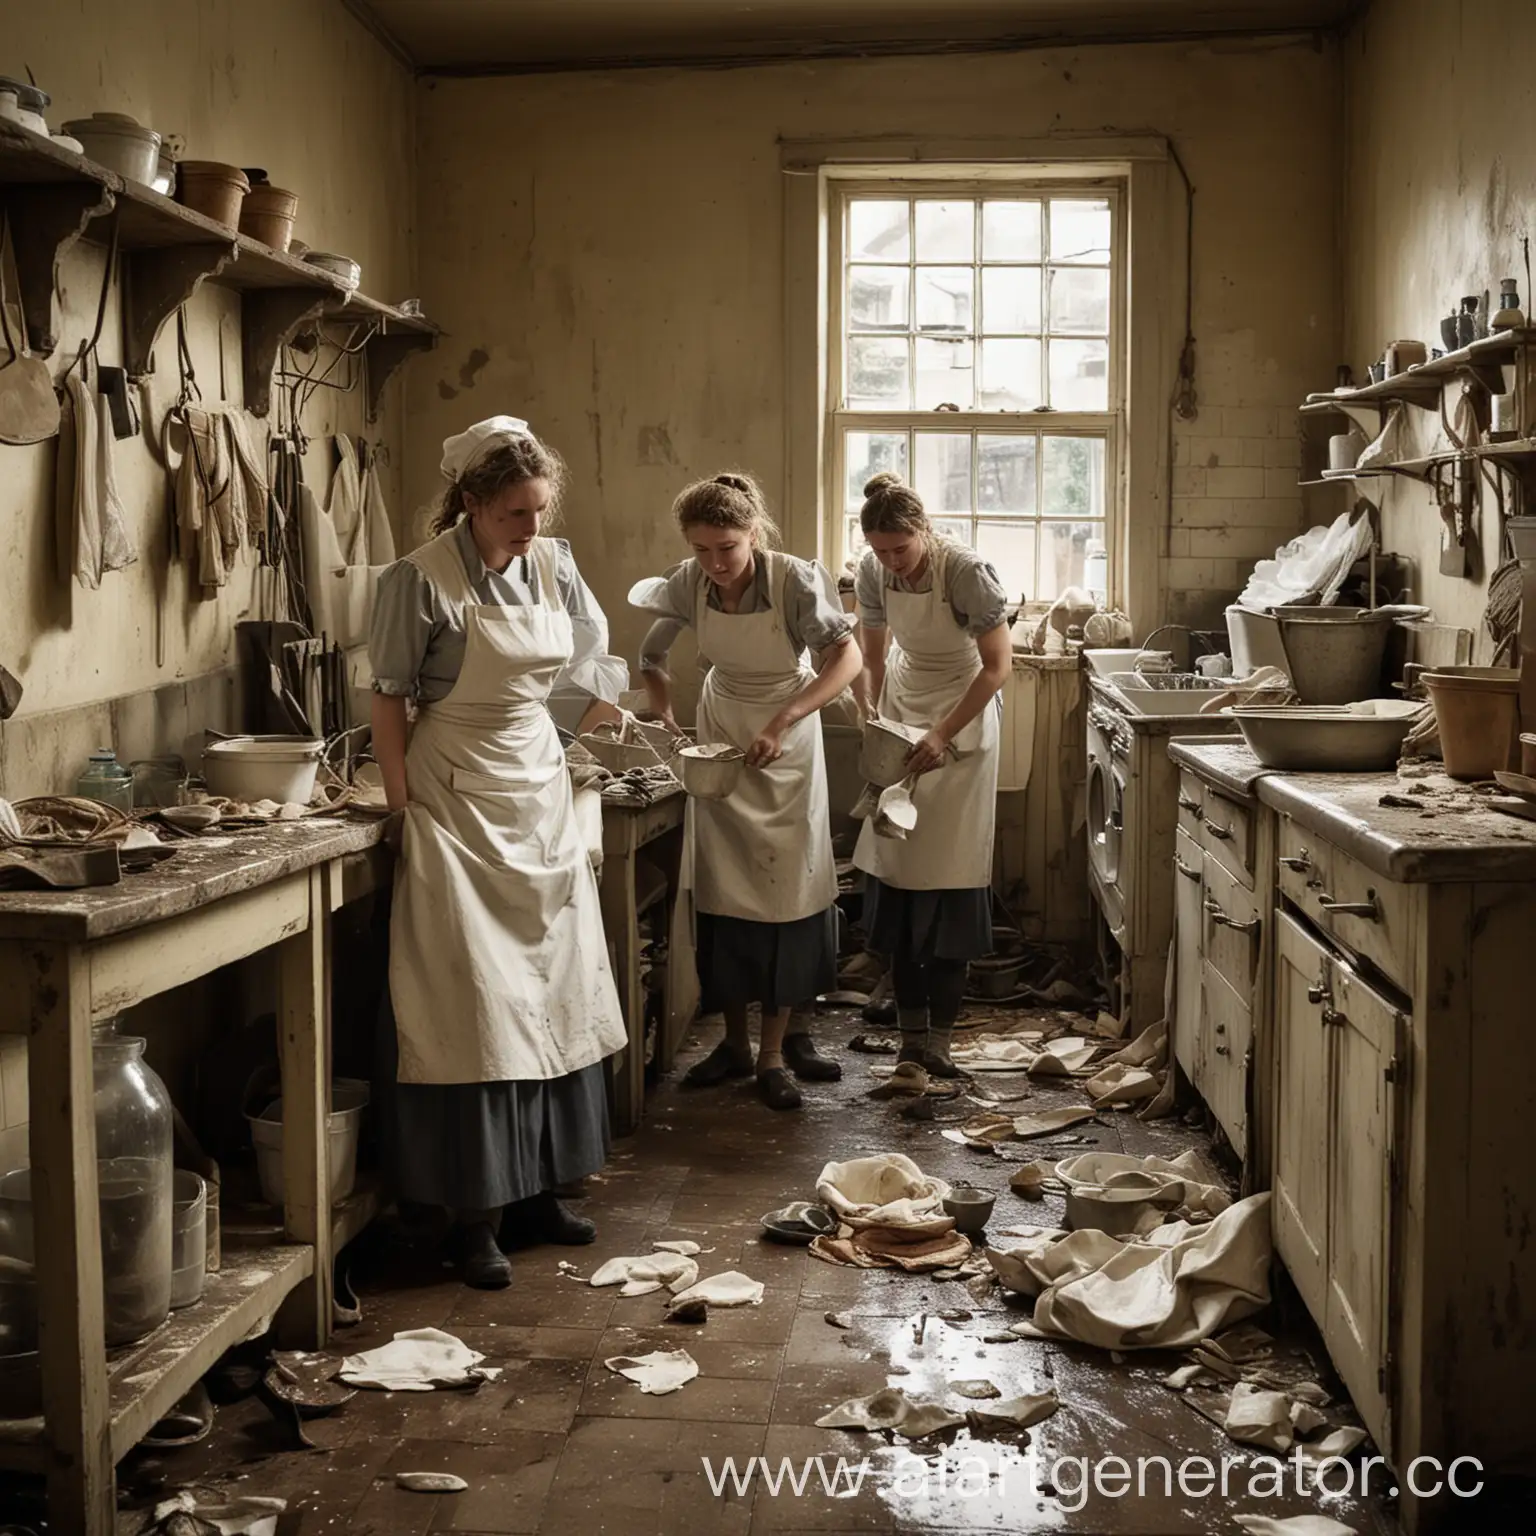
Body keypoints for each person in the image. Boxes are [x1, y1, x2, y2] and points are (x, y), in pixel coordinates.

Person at [367, 415, 629, 1289]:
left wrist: (594, 722)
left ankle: (538, 1194)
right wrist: (404, 808)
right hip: (456, 799)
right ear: (472, 504)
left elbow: (586, 660)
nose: (532, 527)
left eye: (540, 510)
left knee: (553, 992)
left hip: (537, 789)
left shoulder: (553, 565)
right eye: (515, 512)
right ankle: (470, 1215)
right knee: (473, 1006)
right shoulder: (419, 579)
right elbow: (390, 700)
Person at [630, 473, 862, 1110]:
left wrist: (786, 719)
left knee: (787, 899)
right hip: (721, 736)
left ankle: (772, 1054)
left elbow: (847, 661)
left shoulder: (793, 580)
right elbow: (650, 658)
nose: (715, 563)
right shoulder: (688, 582)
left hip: (785, 741)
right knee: (724, 896)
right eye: (701, 549)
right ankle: (734, 1042)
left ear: (753, 534)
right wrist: (666, 717)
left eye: (727, 547)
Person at [852, 471, 1011, 1077]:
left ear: (924, 532)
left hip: (962, 710)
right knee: (894, 866)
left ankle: (939, 1043)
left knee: (948, 876)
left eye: (902, 549)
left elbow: (998, 667)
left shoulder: (964, 571)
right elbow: (871, 653)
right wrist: (871, 713)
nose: (892, 562)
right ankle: (908, 1041)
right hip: (905, 697)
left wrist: (942, 733)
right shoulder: (872, 570)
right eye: (880, 551)